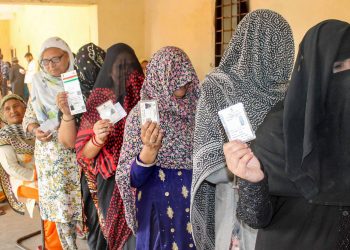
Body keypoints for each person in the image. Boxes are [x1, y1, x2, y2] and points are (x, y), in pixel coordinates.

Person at [226, 20, 350, 250]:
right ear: (315, 71)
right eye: (339, 66)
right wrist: (253, 183)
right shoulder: (278, 131)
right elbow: (255, 218)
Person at [190, 9, 295, 250]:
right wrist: (245, 168)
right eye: (273, 47)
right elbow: (207, 167)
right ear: (253, 46)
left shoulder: (292, 93)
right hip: (234, 214)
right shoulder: (218, 90)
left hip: (285, 215)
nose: (280, 57)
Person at [116, 46, 200, 249]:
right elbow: (131, 178)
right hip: (159, 210)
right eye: (177, 78)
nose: (185, 84)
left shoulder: (197, 109)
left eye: (187, 77)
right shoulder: (141, 115)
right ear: (161, 77)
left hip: (194, 207)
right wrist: (149, 152)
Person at [75, 43, 144, 249]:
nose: (125, 72)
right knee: (116, 237)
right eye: (119, 66)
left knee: (142, 233)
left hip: (143, 175)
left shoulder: (148, 100)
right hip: (111, 182)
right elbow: (84, 153)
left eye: (129, 66)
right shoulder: (100, 100)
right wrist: (97, 138)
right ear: (109, 70)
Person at [22, 37, 82, 250]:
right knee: (60, 208)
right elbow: (28, 118)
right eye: (45, 61)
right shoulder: (38, 83)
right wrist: (34, 130)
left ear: (69, 56)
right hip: (49, 156)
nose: (50, 65)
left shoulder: (78, 81)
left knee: (79, 205)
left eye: (55, 59)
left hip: (74, 155)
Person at [56, 42, 106, 248]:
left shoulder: (116, 90)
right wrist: (67, 114)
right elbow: (68, 142)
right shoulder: (73, 96)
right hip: (90, 172)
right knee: (97, 225)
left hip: (115, 172)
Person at [0, 94, 63, 249]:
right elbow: (12, 169)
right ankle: (53, 244)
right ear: (3, 115)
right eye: (7, 109)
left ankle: (66, 231)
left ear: (25, 108)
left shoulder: (38, 127)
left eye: (16, 105)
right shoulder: (4, 136)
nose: (13, 110)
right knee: (53, 194)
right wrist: (40, 178)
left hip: (47, 174)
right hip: (24, 181)